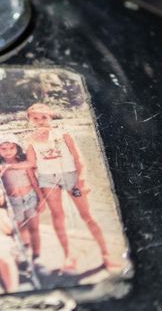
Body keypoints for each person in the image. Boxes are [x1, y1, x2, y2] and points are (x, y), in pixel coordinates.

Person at [24, 103, 122, 273]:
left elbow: (77, 157)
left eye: (44, 117)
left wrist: (81, 178)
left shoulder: (63, 134)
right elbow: (31, 166)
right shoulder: (30, 139)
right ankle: (68, 255)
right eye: (36, 118)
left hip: (70, 176)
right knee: (57, 216)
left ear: (50, 116)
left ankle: (106, 254)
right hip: (48, 179)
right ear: (30, 120)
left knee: (86, 214)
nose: (40, 121)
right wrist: (39, 193)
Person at [0, 140, 43, 261]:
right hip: (13, 202)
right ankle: (24, 253)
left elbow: (34, 182)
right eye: (3, 149)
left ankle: (37, 254)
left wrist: (41, 199)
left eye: (11, 148)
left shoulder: (24, 163)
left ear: (17, 148)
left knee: (34, 228)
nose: (8, 152)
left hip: (30, 197)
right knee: (20, 228)